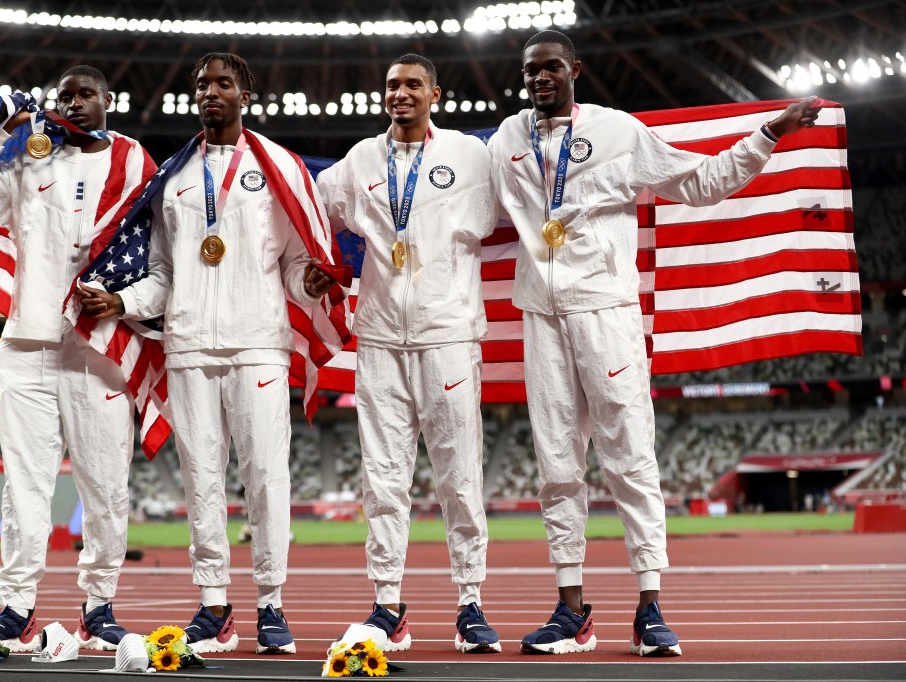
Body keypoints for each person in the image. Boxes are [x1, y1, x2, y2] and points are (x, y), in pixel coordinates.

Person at [487, 30, 820, 657]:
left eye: (552, 67)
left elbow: (701, 183)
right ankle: (571, 611)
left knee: (630, 456)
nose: (540, 79)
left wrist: (769, 134)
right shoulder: (506, 139)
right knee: (557, 466)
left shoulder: (619, 131)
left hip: (606, 313)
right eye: (531, 71)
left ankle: (649, 607)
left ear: (575, 69)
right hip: (541, 315)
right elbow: (466, 207)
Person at [77, 52, 336, 655]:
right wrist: (120, 302)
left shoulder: (279, 169)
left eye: (224, 83)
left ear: (246, 92)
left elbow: (297, 265)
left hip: (258, 345)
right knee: (202, 481)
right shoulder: (173, 176)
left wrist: (311, 285)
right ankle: (214, 603)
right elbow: (164, 276)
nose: (211, 92)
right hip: (189, 343)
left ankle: (271, 602)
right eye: (202, 84)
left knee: (267, 477)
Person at [0, 66, 156, 651]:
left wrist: (127, 301)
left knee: (106, 484)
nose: (76, 104)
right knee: (25, 485)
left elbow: (158, 253)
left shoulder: (135, 162)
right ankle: (16, 605)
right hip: (27, 344)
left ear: (108, 101)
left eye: (87, 94)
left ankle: (99, 605)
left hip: (100, 345)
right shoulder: (28, 156)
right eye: (66, 96)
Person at [317, 54, 501, 654]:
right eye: (393, 85)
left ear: (435, 94)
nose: (401, 93)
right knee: (383, 478)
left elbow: (524, 187)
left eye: (413, 85)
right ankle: (387, 603)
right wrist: (322, 270)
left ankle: (470, 603)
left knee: (458, 473)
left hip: (446, 334)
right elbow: (313, 211)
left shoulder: (471, 156)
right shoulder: (360, 160)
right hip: (378, 339)